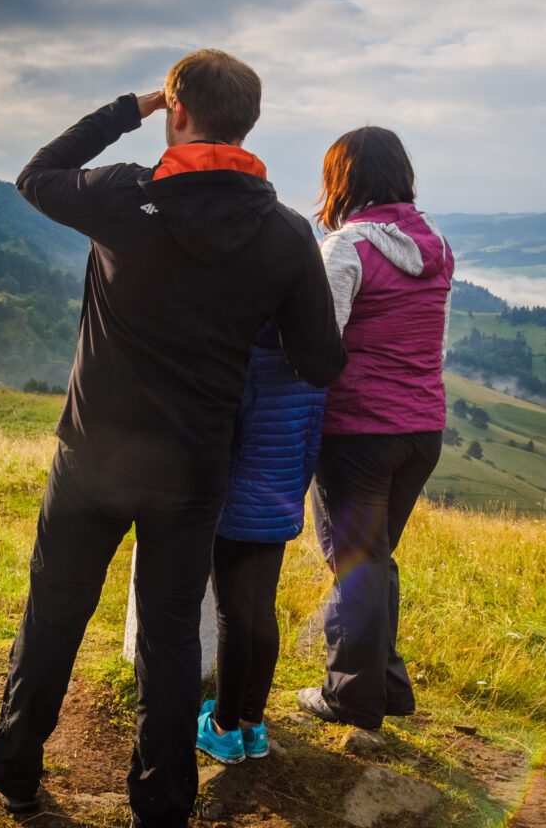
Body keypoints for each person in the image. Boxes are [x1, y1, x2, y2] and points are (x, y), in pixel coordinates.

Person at [0, 50, 348, 828]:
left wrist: (128, 108)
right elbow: (319, 360)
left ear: (176, 112)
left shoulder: (123, 194)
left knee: (56, 611)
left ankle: (15, 767)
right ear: (249, 122)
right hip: (195, 462)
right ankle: (164, 804)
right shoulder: (283, 235)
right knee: (173, 632)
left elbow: (37, 175)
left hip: (94, 452)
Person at [296, 126, 453, 732]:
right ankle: (387, 685)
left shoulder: (347, 248)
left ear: (343, 180)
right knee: (374, 558)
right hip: (422, 430)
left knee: (354, 562)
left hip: (358, 431)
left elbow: (319, 345)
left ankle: (351, 698)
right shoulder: (436, 242)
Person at [194, 313, 327, 764]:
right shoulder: (313, 361)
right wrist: (291, 492)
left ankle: (224, 726)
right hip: (280, 501)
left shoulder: (246, 357)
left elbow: (224, 437)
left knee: (233, 615)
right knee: (260, 611)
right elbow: (312, 443)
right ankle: (253, 724)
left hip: (234, 506)